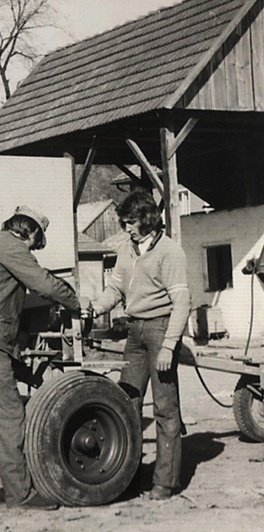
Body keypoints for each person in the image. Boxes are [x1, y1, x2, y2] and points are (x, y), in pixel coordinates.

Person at [0, 205, 81, 510]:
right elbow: (43, 282)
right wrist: (75, 302)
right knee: (8, 416)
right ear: (30, 230)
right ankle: (21, 494)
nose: (35, 248)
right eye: (37, 241)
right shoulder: (11, 247)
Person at [83, 191, 190, 501]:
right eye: (124, 223)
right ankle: (125, 475)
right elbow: (115, 287)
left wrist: (169, 345)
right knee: (126, 404)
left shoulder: (170, 252)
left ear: (146, 220)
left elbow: (182, 301)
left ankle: (165, 482)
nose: (126, 228)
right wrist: (96, 308)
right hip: (134, 333)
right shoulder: (127, 250)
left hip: (160, 330)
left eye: (130, 223)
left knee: (165, 409)